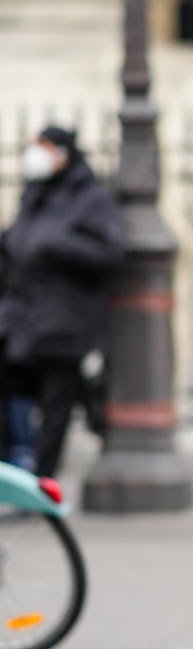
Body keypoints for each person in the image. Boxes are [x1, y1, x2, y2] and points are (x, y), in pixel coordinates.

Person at [0, 126, 123, 477]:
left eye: (43, 148)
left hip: (64, 322)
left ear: (61, 153)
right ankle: (16, 465)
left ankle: (41, 486)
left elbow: (110, 253)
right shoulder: (33, 194)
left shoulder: (91, 197)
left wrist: (58, 245)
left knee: (56, 408)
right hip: (21, 318)